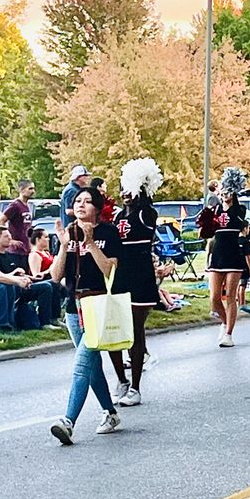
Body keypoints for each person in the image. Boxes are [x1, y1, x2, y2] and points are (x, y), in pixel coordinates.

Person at [48, 187, 123, 445]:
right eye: (77, 201)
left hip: (98, 303)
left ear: (97, 208)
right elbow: (56, 277)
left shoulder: (108, 232)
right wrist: (64, 247)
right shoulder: (68, 232)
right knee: (92, 367)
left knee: (81, 363)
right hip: (73, 305)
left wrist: (90, 243)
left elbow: (110, 269)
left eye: (88, 201)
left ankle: (68, 422)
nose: (81, 205)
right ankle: (111, 413)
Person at [106, 164, 161, 407]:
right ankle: (121, 379)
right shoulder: (118, 216)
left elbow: (148, 215)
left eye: (130, 188)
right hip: (119, 276)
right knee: (114, 331)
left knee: (135, 331)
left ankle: (136, 387)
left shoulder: (146, 213)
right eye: (123, 188)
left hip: (140, 276)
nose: (125, 193)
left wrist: (143, 191)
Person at [206, 178, 249, 347]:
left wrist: (229, 205)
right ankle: (224, 322)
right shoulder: (214, 209)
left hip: (233, 254)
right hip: (217, 255)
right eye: (223, 190)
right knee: (214, 298)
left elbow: (237, 220)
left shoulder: (240, 210)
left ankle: (229, 334)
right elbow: (207, 230)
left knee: (231, 296)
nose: (225, 194)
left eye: (229, 190)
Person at [0, 227, 55, 331]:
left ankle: (49, 320)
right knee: (46, 287)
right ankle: (3, 325)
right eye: (6, 237)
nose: (10, 239)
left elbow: (2, 274)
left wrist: (28, 277)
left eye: (10, 236)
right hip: (13, 287)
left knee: (52, 283)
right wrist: (16, 278)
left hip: (19, 284)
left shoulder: (9, 256)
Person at [28, 228, 65, 325]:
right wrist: (51, 269)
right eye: (45, 237)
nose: (48, 239)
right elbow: (36, 275)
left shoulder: (47, 253)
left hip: (53, 279)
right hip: (43, 281)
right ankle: (50, 319)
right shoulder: (34, 255)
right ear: (38, 240)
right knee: (53, 285)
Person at [0, 179, 35, 256]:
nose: (33, 191)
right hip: (16, 251)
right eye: (30, 188)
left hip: (26, 249)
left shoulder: (27, 205)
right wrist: (10, 240)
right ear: (21, 190)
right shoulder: (15, 205)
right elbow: (0, 221)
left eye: (33, 189)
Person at [237, 225, 250, 314]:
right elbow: (247, 256)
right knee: (243, 285)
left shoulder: (235, 240)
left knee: (237, 284)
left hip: (236, 265)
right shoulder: (246, 242)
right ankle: (242, 304)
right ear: (245, 228)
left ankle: (238, 303)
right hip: (244, 266)